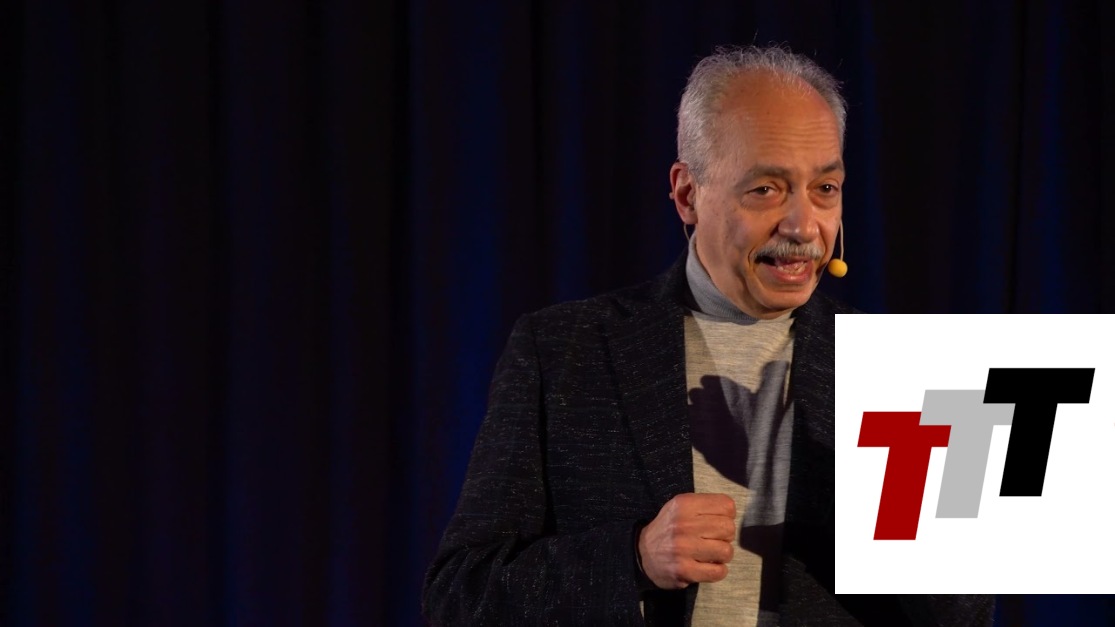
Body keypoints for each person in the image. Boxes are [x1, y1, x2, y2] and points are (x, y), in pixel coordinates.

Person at [422, 45, 994, 626]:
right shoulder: (563, 351)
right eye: (766, 189)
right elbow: (459, 596)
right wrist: (635, 557)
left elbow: (964, 615)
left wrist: (892, 517)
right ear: (687, 194)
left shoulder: (903, 369)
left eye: (825, 188)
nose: (804, 227)